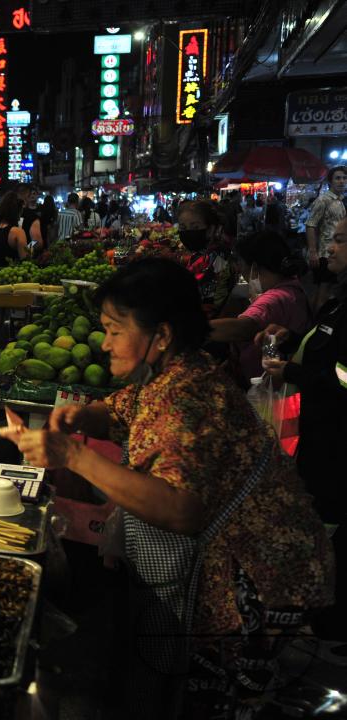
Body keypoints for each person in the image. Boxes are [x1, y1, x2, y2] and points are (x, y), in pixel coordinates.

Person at [0, 257, 333, 718]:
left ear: (161, 335)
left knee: (210, 701)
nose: (105, 342)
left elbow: (181, 509)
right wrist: (82, 416)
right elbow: (124, 409)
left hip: (253, 577)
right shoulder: (172, 372)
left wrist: (73, 455)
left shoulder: (189, 393)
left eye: (115, 330)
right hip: (234, 565)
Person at [262, 216, 347, 647]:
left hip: (338, 442)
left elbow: (343, 376)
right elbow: (325, 350)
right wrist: (291, 337)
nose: (329, 247)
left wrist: (293, 372)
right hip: (317, 432)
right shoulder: (337, 301)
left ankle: (330, 624)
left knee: (330, 522)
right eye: (331, 238)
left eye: (340, 240)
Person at [209, 230, 308, 383]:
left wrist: (196, 328)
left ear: (254, 267)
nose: (241, 275)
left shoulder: (275, 298)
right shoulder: (292, 287)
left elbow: (243, 328)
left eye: (242, 268)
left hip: (269, 386)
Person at [0, 192, 30, 369]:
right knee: (18, 321)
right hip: (13, 278)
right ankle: (15, 362)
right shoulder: (17, 232)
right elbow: (25, 258)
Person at [175, 199, 235, 318]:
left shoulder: (217, 257)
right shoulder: (204, 252)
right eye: (183, 228)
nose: (188, 232)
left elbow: (207, 302)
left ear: (211, 229)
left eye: (195, 227)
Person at [305, 165, 346, 312]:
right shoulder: (323, 200)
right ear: (330, 181)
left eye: (344, 178)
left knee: (327, 291)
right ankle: (318, 322)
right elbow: (310, 225)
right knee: (324, 291)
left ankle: (316, 319)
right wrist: (312, 251)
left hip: (336, 253)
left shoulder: (339, 200)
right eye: (337, 178)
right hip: (326, 254)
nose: (341, 181)